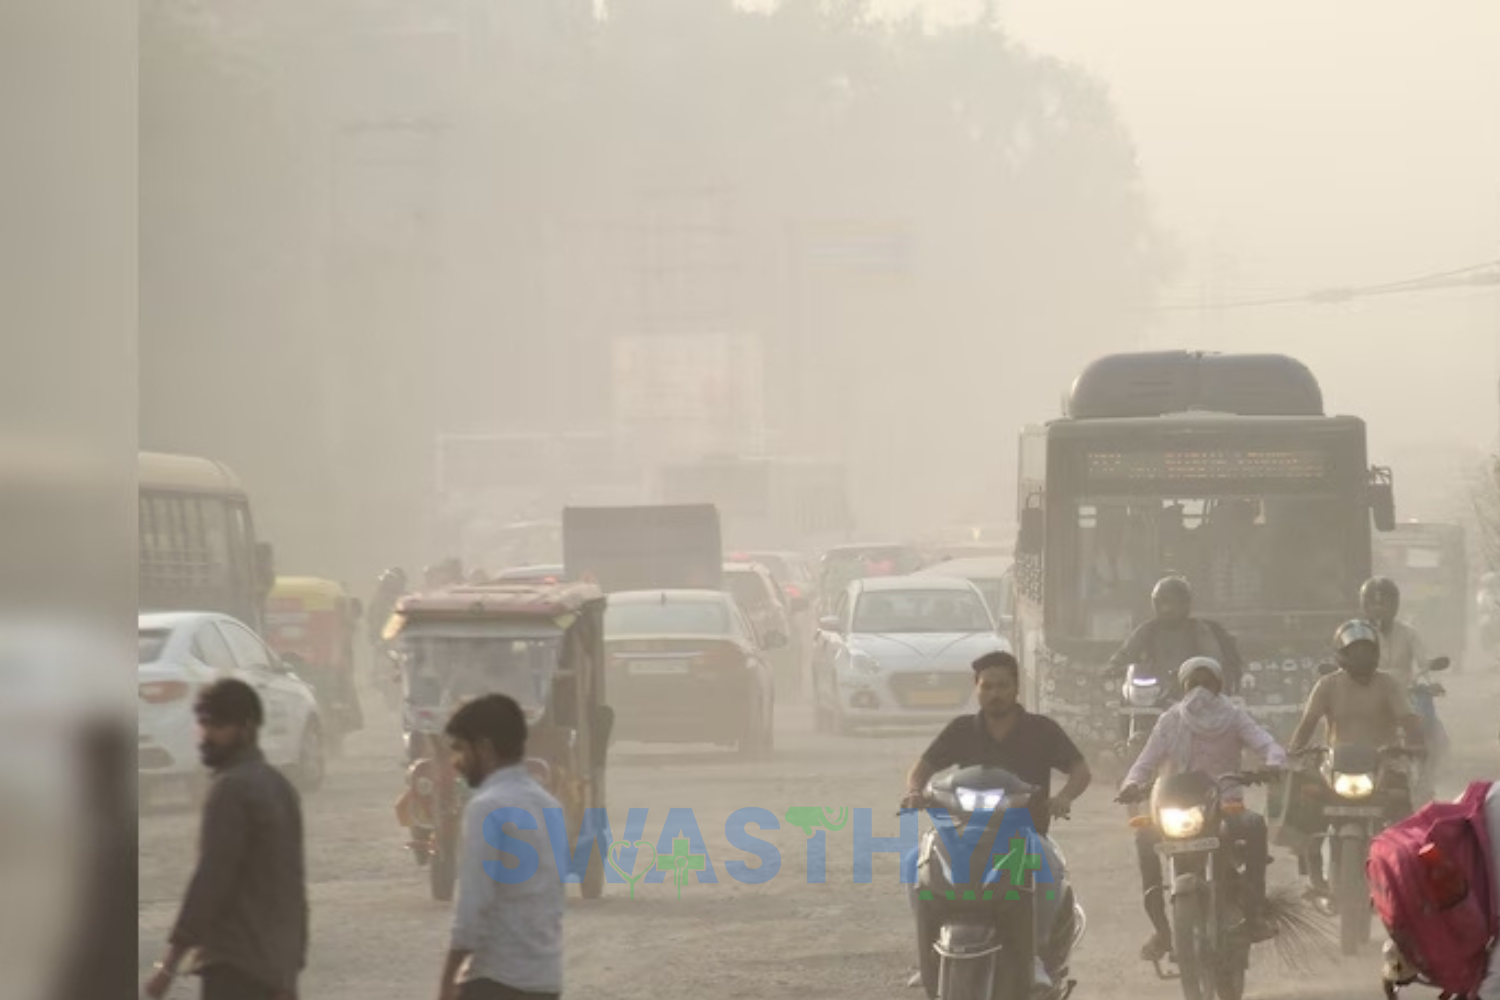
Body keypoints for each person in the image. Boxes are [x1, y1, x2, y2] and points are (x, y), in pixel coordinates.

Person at [901, 650, 1091, 991]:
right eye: (987, 686)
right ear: (976, 689)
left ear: (1016, 688)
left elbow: (1080, 770)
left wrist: (1063, 798)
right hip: (962, 836)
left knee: (1047, 869)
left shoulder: (1041, 729)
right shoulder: (961, 729)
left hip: (1025, 833)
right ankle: (925, 955)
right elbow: (921, 770)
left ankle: (1034, 955)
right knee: (915, 861)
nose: (995, 693)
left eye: (1002, 685)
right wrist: (916, 791)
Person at [144, 679, 307, 1000]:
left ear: (246, 727)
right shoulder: (279, 787)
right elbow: (293, 887)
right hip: (275, 968)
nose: (206, 735)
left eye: (217, 724)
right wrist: (290, 967)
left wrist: (168, 965)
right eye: (202, 724)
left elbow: (211, 879)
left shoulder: (231, 790)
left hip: (235, 967)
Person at [1118, 656, 1288, 961]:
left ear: (1219, 686)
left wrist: (1273, 764)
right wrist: (1131, 784)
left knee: (1253, 825)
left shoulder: (1235, 717)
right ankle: (1161, 930)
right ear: (1183, 688)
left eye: (1206, 683)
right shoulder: (1170, 721)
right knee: (1144, 838)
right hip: (1176, 810)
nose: (1200, 691)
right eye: (1192, 684)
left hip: (1226, 806)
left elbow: (1268, 745)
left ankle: (1254, 915)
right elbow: (1144, 763)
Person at [1282, 620, 1426, 897]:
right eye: (1355, 651)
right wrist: (1294, 750)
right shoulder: (1327, 685)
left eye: (1368, 650)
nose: (1363, 657)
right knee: (1306, 806)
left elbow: (1408, 719)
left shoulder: (1388, 683)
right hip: (1335, 766)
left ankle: (1404, 874)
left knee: (1402, 812)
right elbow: (1308, 722)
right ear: (1341, 655)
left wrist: (1416, 744)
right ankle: (1313, 872)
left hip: (1383, 764)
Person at [437, 694, 564, 1000]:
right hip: (545, 981)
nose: (456, 763)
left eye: (460, 749)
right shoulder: (549, 806)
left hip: (495, 982)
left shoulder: (486, 807)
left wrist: (446, 982)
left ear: (485, 748)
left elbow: (473, 907)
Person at [1106, 576, 1246, 695]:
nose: (1165, 609)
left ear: (1185, 603)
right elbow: (1123, 656)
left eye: (1170, 602)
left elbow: (1223, 663)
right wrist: (1115, 669)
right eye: (1160, 603)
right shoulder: (1147, 631)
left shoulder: (1204, 630)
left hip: (1197, 701)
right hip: (1154, 701)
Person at [1361, 577, 1428, 685]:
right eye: (1373, 604)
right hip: (1368, 694)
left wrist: (1425, 681)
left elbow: (1422, 663)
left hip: (1404, 695)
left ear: (1394, 605)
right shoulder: (1357, 634)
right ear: (1365, 606)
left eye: (1384, 604)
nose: (1379, 609)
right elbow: (1344, 664)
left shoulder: (1408, 633)